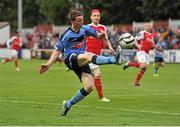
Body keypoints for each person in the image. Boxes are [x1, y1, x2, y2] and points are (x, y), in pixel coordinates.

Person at [38, 10, 122, 116]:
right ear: (72, 21)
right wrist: (48, 64)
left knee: (89, 87)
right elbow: (57, 52)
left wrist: (101, 35)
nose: (82, 22)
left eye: (82, 20)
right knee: (88, 55)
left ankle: (68, 104)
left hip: (81, 60)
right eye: (79, 21)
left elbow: (98, 36)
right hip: (70, 59)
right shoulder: (66, 35)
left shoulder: (84, 29)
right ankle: (114, 59)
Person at [86, 9, 114, 102]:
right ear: (91, 17)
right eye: (94, 15)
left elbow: (105, 39)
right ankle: (101, 97)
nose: (96, 17)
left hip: (97, 55)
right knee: (94, 77)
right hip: (88, 55)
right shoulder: (87, 27)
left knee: (96, 75)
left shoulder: (103, 28)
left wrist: (110, 47)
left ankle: (101, 97)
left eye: (98, 16)